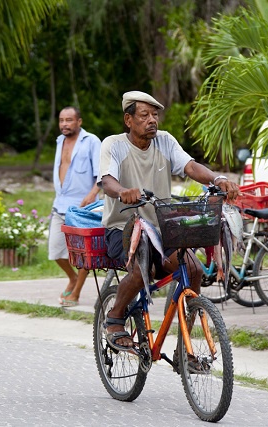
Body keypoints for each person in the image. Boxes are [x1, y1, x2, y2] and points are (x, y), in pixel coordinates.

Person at [98, 91, 240, 352]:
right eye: (144, 115)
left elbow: (190, 167)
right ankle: (115, 318)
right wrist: (122, 192)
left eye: (155, 115)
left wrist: (217, 180)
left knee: (195, 270)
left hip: (162, 229)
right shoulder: (114, 144)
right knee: (143, 271)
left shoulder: (164, 141)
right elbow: (107, 180)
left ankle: (185, 342)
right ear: (128, 120)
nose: (152, 120)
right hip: (122, 229)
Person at [49, 106, 101, 306]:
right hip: (60, 205)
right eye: (61, 120)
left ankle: (76, 293)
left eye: (69, 120)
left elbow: (101, 174)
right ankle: (72, 278)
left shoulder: (92, 142)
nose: (64, 124)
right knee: (55, 250)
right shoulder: (59, 141)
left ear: (79, 121)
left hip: (82, 207)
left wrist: (92, 194)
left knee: (83, 254)